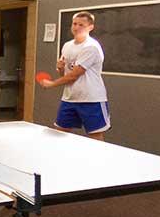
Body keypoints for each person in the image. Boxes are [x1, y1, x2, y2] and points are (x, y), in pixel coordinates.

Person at [38, 11, 109, 140]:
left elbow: (73, 76)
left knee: (95, 137)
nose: (76, 27)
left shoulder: (91, 47)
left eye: (81, 25)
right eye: (74, 24)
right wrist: (60, 68)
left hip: (91, 99)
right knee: (59, 133)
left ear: (90, 27)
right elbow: (66, 74)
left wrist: (52, 84)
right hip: (69, 99)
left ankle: (98, 159)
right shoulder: (67, 46)